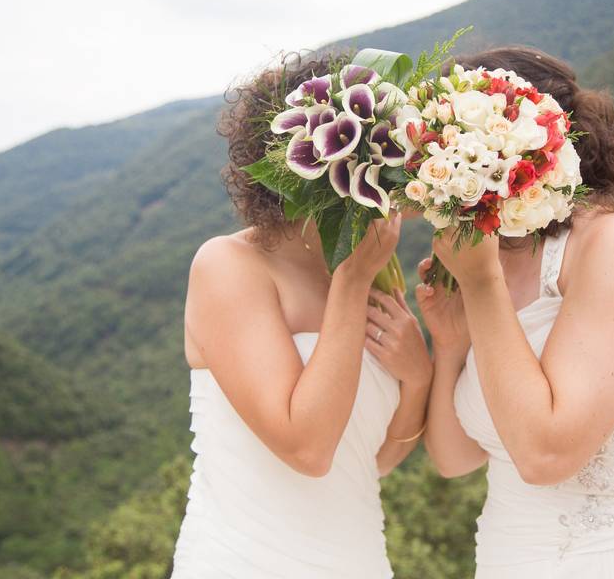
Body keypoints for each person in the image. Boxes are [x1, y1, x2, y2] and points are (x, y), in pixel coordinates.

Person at [420, 46, 614, 578]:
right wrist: (450, 347)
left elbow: (546, 455)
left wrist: (480, 286)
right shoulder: (493, 259)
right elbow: (456, 460)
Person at [170, 54, 433, 578]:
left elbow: (368, 462)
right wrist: (352, 283)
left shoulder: (376, 270)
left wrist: (419, 377)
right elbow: (308, 449)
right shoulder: (229, 266)